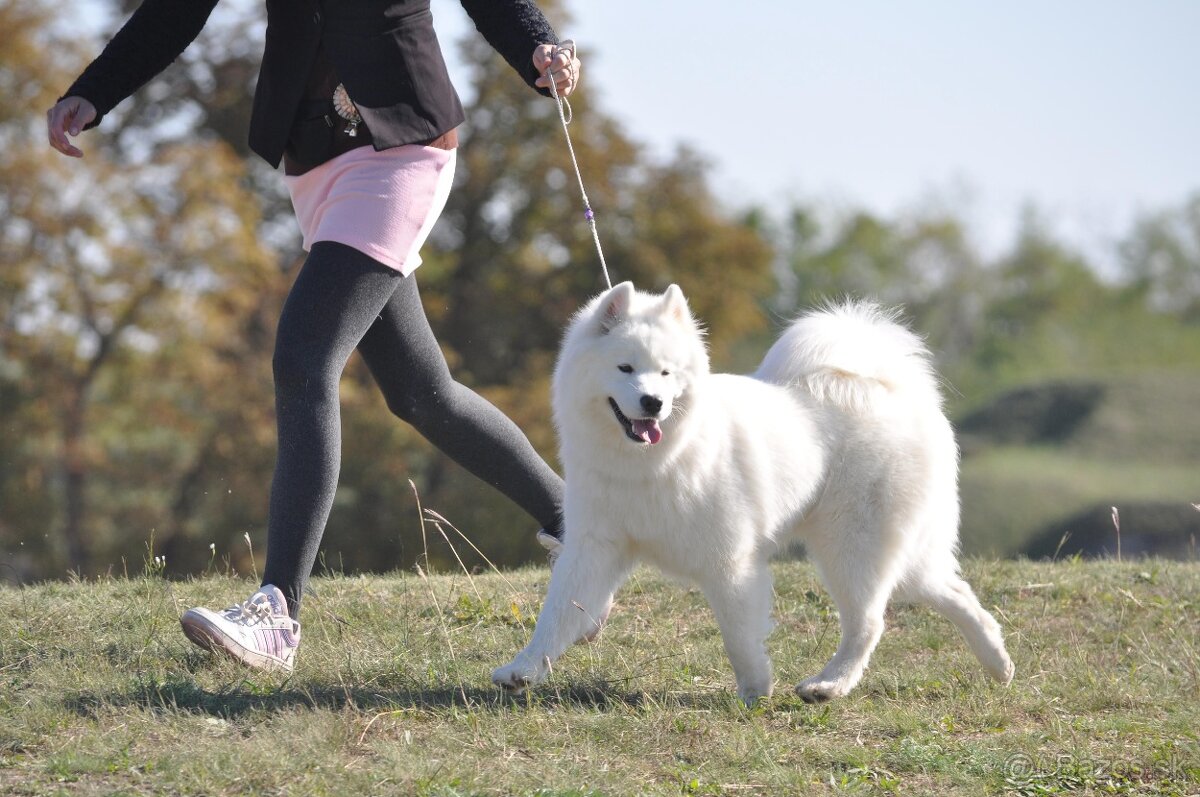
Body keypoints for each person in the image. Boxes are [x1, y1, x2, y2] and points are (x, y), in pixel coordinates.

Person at [47, 0, 580, 673]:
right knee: (421, 393)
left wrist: (538, 45)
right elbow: (177, 10)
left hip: (402, 147)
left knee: (304, 359)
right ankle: (578, 525)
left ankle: (278, 612)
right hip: (314, 158)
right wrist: (94, 91)